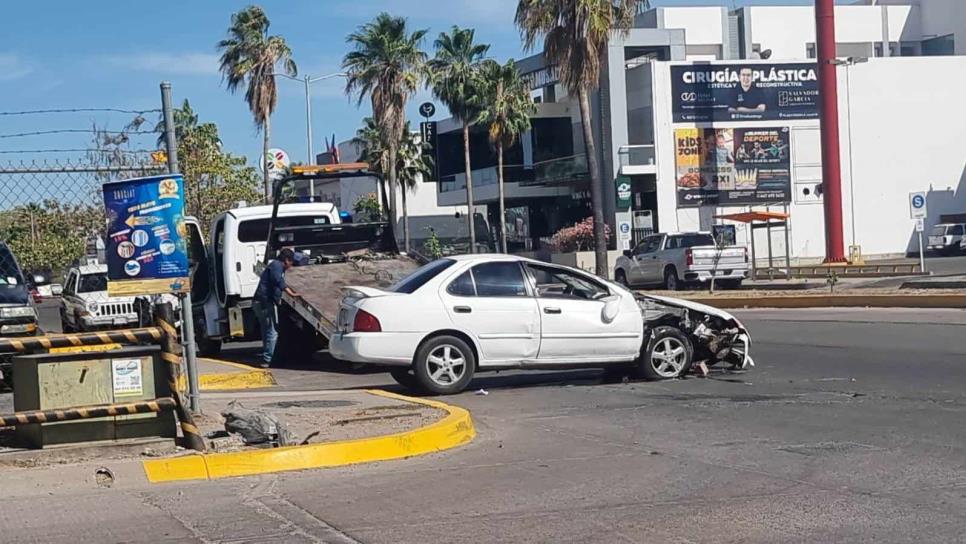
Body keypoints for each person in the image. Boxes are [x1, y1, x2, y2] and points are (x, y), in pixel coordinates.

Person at [252, 248, 298, 368]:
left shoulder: (274, 265)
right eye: (291, 262)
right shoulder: (277, 266)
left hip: (259, 302)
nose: (291, 265)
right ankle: (269, 359)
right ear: (287, 260)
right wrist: (291, 293)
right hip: (264, 302)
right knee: (272, 331)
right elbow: (279, 281)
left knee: (266, 330)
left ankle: (267, 357)